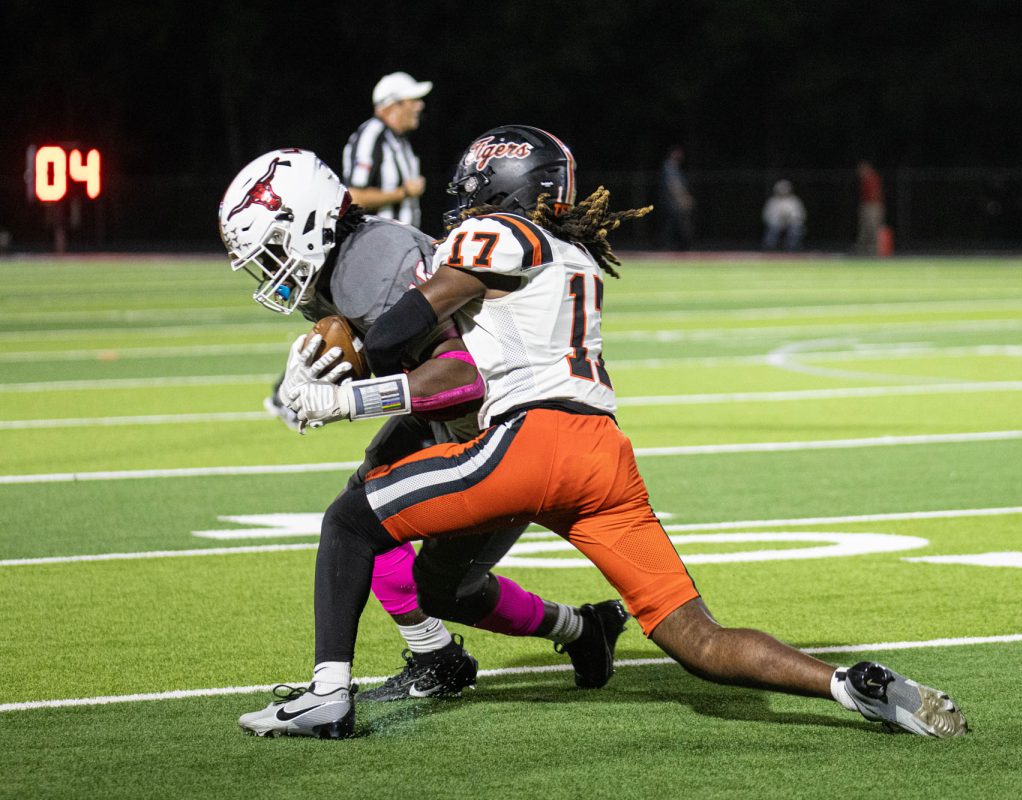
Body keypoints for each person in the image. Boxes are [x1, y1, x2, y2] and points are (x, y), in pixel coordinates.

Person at [243, 127, 968, 740]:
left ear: (503, 187)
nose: (463, 199)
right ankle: (849, 685)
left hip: (530, 442)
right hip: (604, 455)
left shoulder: (501, 232)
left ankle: (327, 697)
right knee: (700, 639)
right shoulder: (576, 254)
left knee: (348, 520)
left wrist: (353, 375)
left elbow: (414, 314)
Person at [218, 149, 629, 721]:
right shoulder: (345, 263)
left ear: (307, 222)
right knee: (358, 517)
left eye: (272, 249)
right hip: (444, 419)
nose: (271, 270)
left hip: (495, 429)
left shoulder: (373, 262)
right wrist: (330, 361)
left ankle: (579, 628)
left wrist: (348, 397)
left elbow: (463, 379)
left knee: (426, 573)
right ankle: (446, 654)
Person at [342, 72, 430, 228]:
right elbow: (354, 198)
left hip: (399, 243)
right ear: (394, 105)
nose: (420, 105)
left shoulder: (399, 140)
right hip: (378, 244)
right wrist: (404, 192)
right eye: (413, 100)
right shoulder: (372, 135)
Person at [657, 145, 694, 250]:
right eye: (678, 153)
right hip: (671, 202)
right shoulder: (669, 166)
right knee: (674, 225)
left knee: (672, 225)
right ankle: (672, 246)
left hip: (674, 202)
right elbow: (673, 185)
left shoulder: (675, 167)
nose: (681, 155)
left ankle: (673, 246)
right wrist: (683, 199)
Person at [761, 179, 806, 251]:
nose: (783, 190)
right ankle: (769, 249)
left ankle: (792, 248)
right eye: (781, 188)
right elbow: (766, 215)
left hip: (790, 224)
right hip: (776, 224)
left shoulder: (794, 201)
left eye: (785, 188)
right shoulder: (772, 201)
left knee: (796, 229)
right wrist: (777, 220)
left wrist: (790, 218)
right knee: (772, 230)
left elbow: (800, 215)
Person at [855, 161, 885, 254]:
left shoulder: (873, 177)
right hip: (866, 205)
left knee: (873, 227)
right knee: (864, 228)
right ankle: (863, 247)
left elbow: (876, 192)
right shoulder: (864, 180)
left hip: (873, 206)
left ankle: (874, 247)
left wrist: (873, 204)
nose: (860, 172)